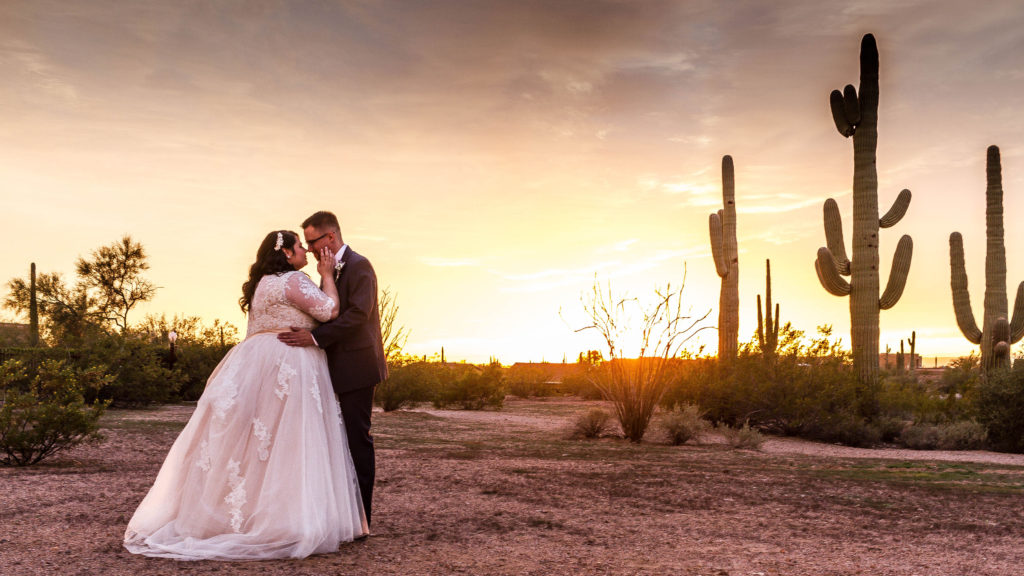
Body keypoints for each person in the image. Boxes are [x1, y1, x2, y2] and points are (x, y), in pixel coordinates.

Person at [123, 230, 368, 561]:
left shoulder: (260, 285)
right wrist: (326, 276)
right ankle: (286, 518)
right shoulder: (294, 280)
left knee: (256, 444)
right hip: (289, 363)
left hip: (254, 363)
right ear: (285, 253)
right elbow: (329, 311)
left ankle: (243, 514)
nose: (306, 253)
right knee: (291, 441)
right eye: (300, 247)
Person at [279, 211, 387, 528]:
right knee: (333, 441)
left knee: (357, 439)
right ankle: (339, 513)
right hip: (331, 368)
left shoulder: (359, 265)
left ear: (330, 237)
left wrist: (314, 337)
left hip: (358, 367)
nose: (309, 249)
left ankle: (363, 518)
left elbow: (357, 315)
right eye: (307, 243)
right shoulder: (326, 271)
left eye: (312, 242)